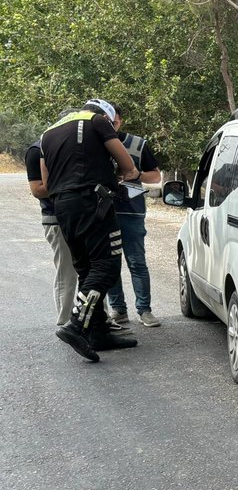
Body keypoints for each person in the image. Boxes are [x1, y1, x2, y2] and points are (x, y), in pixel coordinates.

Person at [40, 99, 142, 361]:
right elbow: (128, 165)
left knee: (86, 267)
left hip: (62, 206)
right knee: (106, 265)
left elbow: (46, 181)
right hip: (93, 201)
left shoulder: (48, 133)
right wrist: (123, 174)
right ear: (105, 117)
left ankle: (97, 333)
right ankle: (76, 326)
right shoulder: (97, 122)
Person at [106, 105, 164, 327]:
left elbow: (155, 176)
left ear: (120, 120)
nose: (111, 124)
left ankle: (145, 310)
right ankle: (118, 310)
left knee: (137, 262)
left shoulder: (138, 144)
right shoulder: (92, 144)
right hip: (104, 213)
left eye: (115, 121)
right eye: (106, 121)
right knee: (110, 263)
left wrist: (137, 174)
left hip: (131, 211)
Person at [25, 135, 77, 327]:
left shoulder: (81, 146)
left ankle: (98, 319)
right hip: (56, 218)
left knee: (93, 270)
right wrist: (71, 185)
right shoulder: (37, 150)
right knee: (66, 271)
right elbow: (37, 189)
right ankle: (66, 322)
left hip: (86, 216)